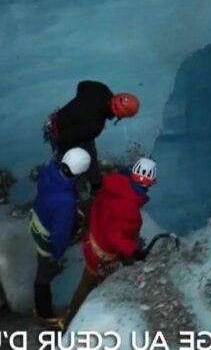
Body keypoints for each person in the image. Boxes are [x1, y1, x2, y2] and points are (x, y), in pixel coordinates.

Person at [66, 157, 157, 321]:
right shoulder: (130, 209)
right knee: (89, 283)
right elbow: (114, 235)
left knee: (87, 281)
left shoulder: (113, 184)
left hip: (93, 239)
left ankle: (72, 314)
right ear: (148, 184)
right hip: (102, 253)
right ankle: (73, 318)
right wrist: (133, 251)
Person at [29, 147, 92, 330]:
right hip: (46, 235)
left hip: (37, 219)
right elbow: (60, 234)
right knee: (43, 276)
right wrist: (56, 254)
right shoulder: (65, 201)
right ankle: (44, 314)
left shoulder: (50, 171)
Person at [44, 81, 140, 191]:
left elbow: (82, 85)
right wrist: (68, 157)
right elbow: (65, 138)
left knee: (88, 151)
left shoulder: (100, 89)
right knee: (80, 158)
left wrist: (79, 106)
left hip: (57, 119)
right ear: (120, 116)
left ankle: (93, 180)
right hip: (61, 134)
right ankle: (86, 184)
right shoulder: (95, 125)